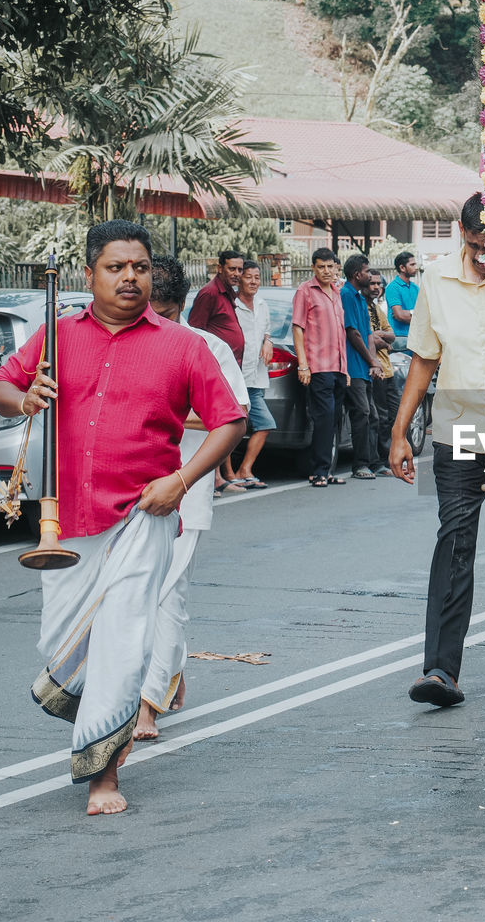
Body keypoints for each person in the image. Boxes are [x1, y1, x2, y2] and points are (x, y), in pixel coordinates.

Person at [0, 220, 246, 815]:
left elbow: (230, 420)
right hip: (66, 520)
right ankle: (108, 713)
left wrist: (180, 482)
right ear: (90, 274)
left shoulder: (183, 345)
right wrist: (24, 398)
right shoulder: (55, 336)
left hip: (143, 516)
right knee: (62, 642)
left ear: (152, 275)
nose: (130, 277)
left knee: (125, 638)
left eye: (140, 268)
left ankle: (103, 774)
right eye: (116, 267)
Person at [390, 194, 485, 705]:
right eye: (477, 246)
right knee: (453, 540)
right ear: (462, 232)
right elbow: (423, 360)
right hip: (455, 431)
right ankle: (440, 670)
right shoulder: (435, 277)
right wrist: (399, 431)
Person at [135, 256, 250, 741]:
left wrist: (167, 416)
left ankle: (147, 705)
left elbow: (236, 414)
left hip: (188, 484)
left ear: (181, 307)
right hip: (129, 487)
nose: (155, 323)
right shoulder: (126, 341)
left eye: (164, 313)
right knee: (134, 596)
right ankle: (173, 667)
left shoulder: (208, 347)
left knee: (166, 595)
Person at [189, 249, 247, 495]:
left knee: (228, 421)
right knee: (217, 422)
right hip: (214, 369)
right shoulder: (209, 293)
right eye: (232, 269)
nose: (236, 274)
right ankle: (212, 480)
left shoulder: (229, 293)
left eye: (239, 269)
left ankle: (221, 476)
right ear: (220, 268)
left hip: (230, 367)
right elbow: (194, 331)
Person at [293, 248, 348, 487]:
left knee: (334, 419)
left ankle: (328, 470)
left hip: (337, 367)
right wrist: (303, 366)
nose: (326, 271)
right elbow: (298, 328)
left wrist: (344, 370)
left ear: (336, 267)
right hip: (318, 367)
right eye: (321, 267)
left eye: (330, 266)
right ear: (314, 268)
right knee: (324, 419)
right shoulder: (305, 291)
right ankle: (318, 471)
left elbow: (341, 333)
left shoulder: (336, 293)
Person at [232, 260, 275, 489]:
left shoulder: (262, 304)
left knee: (265, 424)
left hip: (256, 379)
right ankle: (228, 476)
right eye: (248, 277)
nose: (253, 282)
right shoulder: (232, 305)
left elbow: (266, 332)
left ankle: (245, 469)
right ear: (239, 279)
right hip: (235, 378)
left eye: (257, 277)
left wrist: (268, 341)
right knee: (232, 428)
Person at [341, 254, 383, 480]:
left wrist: (374, 363)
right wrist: (370, 360)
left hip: (365, 367)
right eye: (367, 271)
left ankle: (374, 462)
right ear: (357, 275)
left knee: (373, 416)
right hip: (352, 367)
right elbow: (353, 333)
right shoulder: (346, 295)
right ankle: (360, 465)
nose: (370, 275)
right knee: (362, 413)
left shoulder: (359, 297)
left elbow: (367, 334)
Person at [367, 268, 398, 477]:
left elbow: (392, 335)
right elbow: (366, 337)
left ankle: (387, 458)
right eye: (372, 283)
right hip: (375, 369)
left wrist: (380, 337)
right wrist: (380, 339)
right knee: (379, 417)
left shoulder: (378, 309)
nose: (376, 287)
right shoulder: (362, 308)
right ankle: (378, 461)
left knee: (395, 414)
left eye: (379, 284)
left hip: (388, 370)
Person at [384, 251, 419, 352]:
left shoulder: (416, 288)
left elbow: (425, 315)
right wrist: (417, 315)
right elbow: (399, 315)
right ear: (402, 268)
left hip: (415, 339)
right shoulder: (392, 288)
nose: (416, 267)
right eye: (412, 264)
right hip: (399, 340)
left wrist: (409, 314)